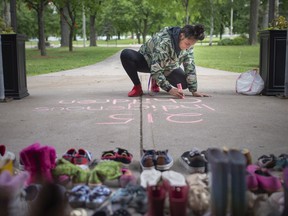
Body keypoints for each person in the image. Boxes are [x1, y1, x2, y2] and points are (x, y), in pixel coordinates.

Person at [120, 24, 210, 98]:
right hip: (147, 61)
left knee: (184, 84)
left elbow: (190, 65)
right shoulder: (164, 42)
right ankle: (137, 87)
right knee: (126, 54)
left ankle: (157, 80)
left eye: (191, 45)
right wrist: (169, 89)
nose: (188, 47)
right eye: (187, 44)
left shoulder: (188, 45)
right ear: (181, 35)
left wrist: (194, 90)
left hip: (168, 66)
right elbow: (155, 68)